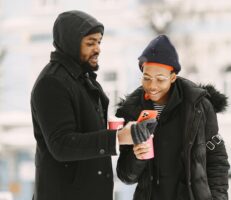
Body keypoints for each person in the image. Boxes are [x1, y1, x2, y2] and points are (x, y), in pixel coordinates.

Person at [30, 10, 156, 200]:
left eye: (98, 42)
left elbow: (87, 130)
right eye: (90, 43)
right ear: (70, 43)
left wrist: (130, 131)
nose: (97, 49)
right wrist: (117, 137)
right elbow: (62, 144)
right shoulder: (52, 83)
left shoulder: (83, 79)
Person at [116, 35, 230, 200]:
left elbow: (217, 160)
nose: (152, 86)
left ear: (173, 77)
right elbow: (126, 176)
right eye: (146, 78)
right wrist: (137, 157)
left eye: (160, 79)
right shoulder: (132, 111)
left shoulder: (198, 107)